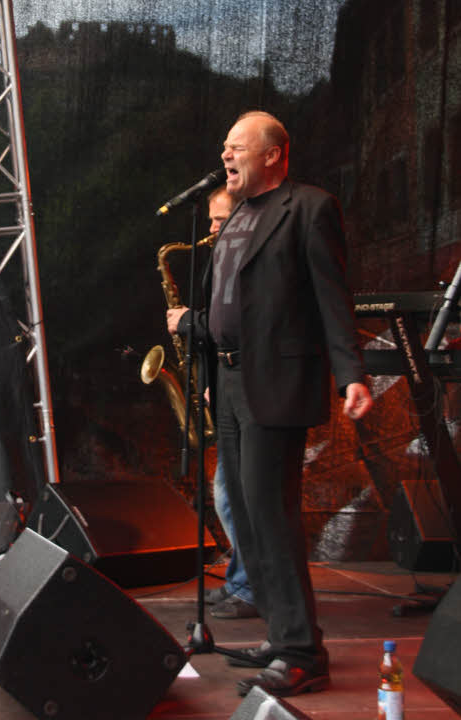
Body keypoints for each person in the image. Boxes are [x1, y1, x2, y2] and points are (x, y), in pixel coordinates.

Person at [167, 110, 372, 698]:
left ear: (273, 155)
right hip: (229, 384)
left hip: (275, 385)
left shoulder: (307, 207)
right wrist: (203, 352)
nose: (225, 156)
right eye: (224, 146)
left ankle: (304, 653)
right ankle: (283, 636)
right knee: (249, 520)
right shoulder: (235, 219)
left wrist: (349, 374)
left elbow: (334, 298)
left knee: (272, 518)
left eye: (237, 147)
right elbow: (232, 307)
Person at [202, 186, 258, 620]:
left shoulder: (250, 260)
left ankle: (250, 585)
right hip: (226, 383)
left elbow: (245, 320)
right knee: (228, 493)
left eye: (219, 220)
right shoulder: (221, 260)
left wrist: (190, 322)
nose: (212, 229)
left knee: (236, 495)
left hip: (253, 387)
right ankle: (241, 577)